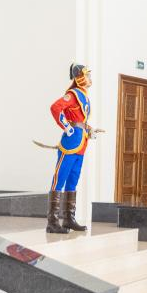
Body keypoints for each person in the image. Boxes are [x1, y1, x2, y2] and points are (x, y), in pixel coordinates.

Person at [46, 63, 101, 234]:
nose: (90, 78)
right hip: (70, 143)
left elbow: (79, 120)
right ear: (80, 77)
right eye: (87, 75)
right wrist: (66, 126)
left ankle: (69, 218)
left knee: (73, 180)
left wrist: (89, 130)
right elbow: (55, 108)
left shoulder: (84, 95)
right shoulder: (73, 94)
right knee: (60, 178)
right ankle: (52, 221)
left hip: (81, 143)